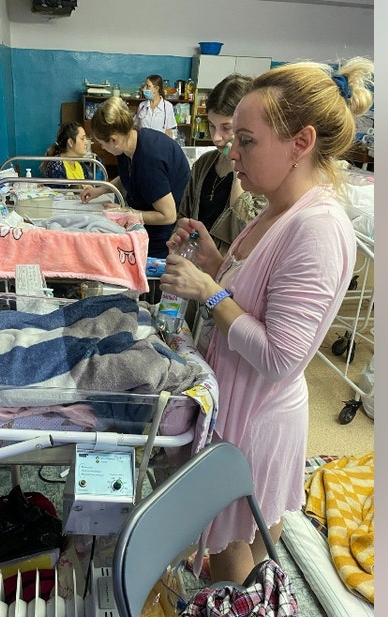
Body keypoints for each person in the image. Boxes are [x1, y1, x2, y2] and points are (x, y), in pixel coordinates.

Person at [158, 57, 374, 585]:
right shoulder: (274, 208)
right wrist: (215, 262)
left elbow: (281, 357)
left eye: (246, 140)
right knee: (239, 550)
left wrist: (209, 293)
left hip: (255, 423)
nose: (231, 152)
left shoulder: (317, 229)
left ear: (300, 143)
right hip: (237, 412)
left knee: (232, 572)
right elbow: (258, 298)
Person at [79, 96, 190, 258]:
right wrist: (101, 190)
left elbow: (168, 215)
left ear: (113, 140)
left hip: (164, 238)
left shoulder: (150, 159)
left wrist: (126, 213)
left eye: (102, 144)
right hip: (146, 226)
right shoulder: (129, 145)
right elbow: (129, 177)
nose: (102, 148)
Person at [177, 73, 267, 256]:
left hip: (231, 270)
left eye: (226, 128)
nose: (216, 137)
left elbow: (245, 230)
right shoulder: (204, 164)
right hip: (195, 264)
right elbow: (184, 214)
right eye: (211, 125)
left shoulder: (262, 173)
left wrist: (237, 166)